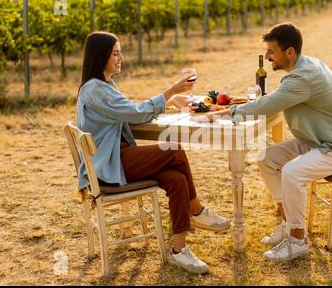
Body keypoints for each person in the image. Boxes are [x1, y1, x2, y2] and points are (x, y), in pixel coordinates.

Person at [206, 23, 332, 263]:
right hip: (316, 141)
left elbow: (269, 104)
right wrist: (241, 108)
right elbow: (275, 100)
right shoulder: (305, 67)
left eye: (271, 51)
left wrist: (229, 112)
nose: (267, 56)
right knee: (266, 158)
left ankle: (297, 241)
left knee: (292, 172)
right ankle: (288, 223)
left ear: (289, 52)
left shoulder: (303, 77)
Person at [76, 31, 230, 274]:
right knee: (174, 150)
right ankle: (197, 210)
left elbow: (129, 111)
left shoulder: (105, 85)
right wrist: (171, 91)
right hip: (108, 164)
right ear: (101, 55)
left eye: (120, 52)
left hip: (118, 157)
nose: (120, 57)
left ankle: (179, 251)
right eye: (115, 53)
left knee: (177, 180)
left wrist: (169, 102)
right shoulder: (94, 89)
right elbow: (135, 113)